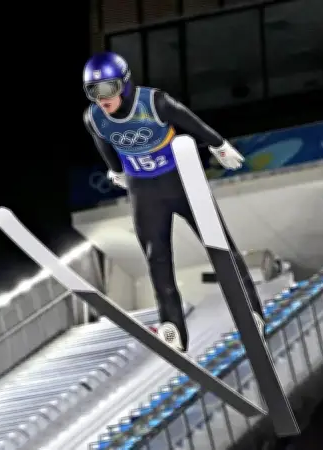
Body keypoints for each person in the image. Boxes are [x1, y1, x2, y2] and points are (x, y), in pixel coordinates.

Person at [82, 52, 265, 352]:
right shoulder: (94, 117)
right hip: (144, 190)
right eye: (93, 92)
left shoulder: (154, 102)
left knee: (218, 245)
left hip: (181, 180)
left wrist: (219, 145)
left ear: (125, 84)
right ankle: (172, 326)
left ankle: (250, 312)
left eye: (108, 89)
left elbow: (191, 123)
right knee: (156, 258)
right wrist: (115, 171)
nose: (102, 99)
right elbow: (103, 144)